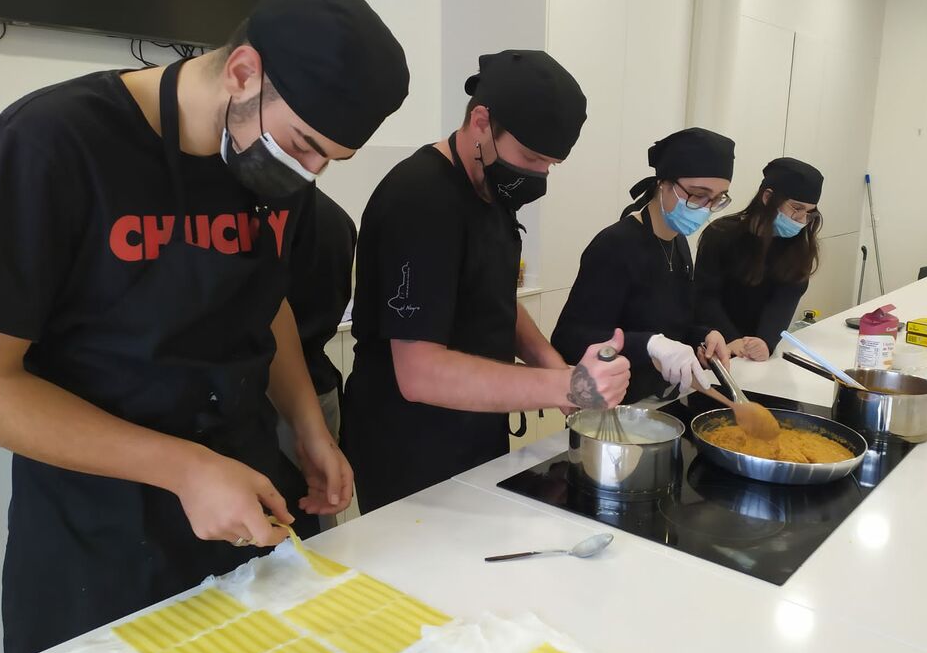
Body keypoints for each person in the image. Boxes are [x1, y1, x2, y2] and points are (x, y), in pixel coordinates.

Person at [0, 0, 409, 653]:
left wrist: (307, 428)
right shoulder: (52, 143)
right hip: (98, 542)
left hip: (244, 515)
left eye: (330, 159)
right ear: (242, 72)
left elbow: (264, 301)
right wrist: (184, 468)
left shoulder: (270, 175)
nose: (309, 173)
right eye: (304, 145)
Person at [341, 50, 630, 513]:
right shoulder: (420, 199)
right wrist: (565, 387)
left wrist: (555, 367)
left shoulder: (493, 192)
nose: (538, 175)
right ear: (481, 121)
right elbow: (419, 374)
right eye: (531, 157)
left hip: (477, 426)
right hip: (409, 446)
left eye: (550, 164)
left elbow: (494, 299)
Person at [552, 128, 733, 402]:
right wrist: (648, 345)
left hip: (656, 401)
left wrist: (705, 335)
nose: (707, 208)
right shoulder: (615, 245)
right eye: (698, 194)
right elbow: (569, 340)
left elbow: (672, 325)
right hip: (612, 408)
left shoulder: (678, 242)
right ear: (663, 184)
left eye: (718, 199)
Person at [693, 157, 824, 361]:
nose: (801, 219)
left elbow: (785, 301)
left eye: (809, 212)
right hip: (715, 344)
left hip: (760, 353)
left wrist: (766, 341)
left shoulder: (799, 247)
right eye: (796, 208)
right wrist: (732, 339)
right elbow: (705, 296)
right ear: (768, 197)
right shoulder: (720, 235)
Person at [278, 188, 356, 527]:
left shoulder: (271, 217)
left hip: (282, 398)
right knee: (318, 515)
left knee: (300, 514)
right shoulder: (338, 219)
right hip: (319, 383)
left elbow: (271, 314)